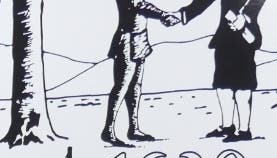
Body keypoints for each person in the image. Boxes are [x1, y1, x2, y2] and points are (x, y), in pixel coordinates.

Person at [175, 0, 267, 142]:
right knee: (222, 85)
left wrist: (245, 16)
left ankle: (244, 131)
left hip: (246, 35)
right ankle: (227, 127)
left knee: (243, 87)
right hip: (224, 38)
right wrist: (184, 14)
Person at [102, 0, 180, 145]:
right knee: (122, 86)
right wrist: (163, 15)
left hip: (140, 39)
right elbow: (139, 4)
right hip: (127, 40)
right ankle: (108, 130)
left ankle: (133, 128)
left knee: (135, 87)